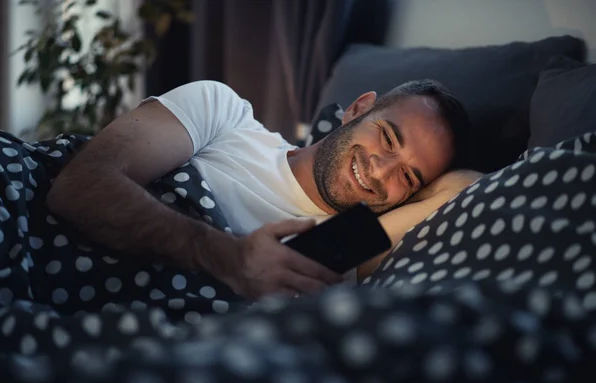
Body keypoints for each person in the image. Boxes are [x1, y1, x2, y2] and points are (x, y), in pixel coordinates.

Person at [45, 79, 480, 299]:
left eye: (408, 177)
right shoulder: (226, 114)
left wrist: (432, 180)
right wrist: (227, 256)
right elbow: (80, 184)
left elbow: (467, 188)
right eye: (387, 137)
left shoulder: (338, 248)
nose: (381, 171)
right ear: (357, 109)